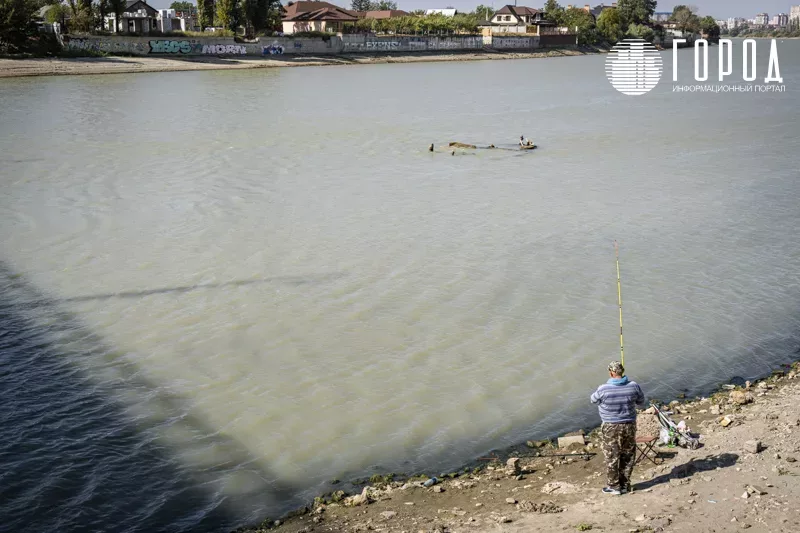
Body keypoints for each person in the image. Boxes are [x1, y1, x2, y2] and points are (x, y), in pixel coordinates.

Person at [590, 361, 645, 495]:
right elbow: (641, 401)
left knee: (612, 456)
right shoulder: (633, 386)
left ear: (611, 373)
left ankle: (614, 486)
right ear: (622, 371)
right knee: (628, 455)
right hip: (629, 425)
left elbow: (593, 400)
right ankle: (625, 485)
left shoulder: (603, 388)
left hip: (610, 427)